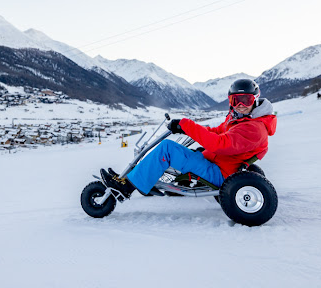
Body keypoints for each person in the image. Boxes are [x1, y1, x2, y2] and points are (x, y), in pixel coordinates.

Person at [101, 79, 277, 198]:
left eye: (245, 100)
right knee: (187, 151)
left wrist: (186, 125)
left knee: (167, 149)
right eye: (235, 100)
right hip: (219, 164)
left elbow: (220, 144)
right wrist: (190, 131)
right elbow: (218, 131)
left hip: (219, 173)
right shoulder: (243, 120)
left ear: (255, 99)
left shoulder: (253, 128)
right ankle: (145, 179)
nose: (240, 105)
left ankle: (125, 188)